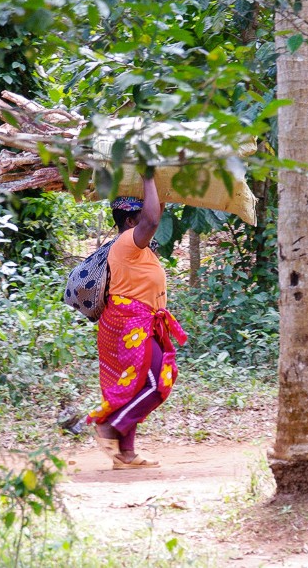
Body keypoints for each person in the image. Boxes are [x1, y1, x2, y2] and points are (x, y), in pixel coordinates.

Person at [88, 174, 187, 469]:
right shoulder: (128, 242)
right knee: (158, 382)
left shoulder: (136, 248)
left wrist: (166, 180)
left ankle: (125, 454)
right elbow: (153, 220)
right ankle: (110, 428)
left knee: (135, 385)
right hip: (130, 323)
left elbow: (157, 212)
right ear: (132, 222)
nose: (152, 222)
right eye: (142, 216)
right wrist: (147, 175)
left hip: (135, 321)